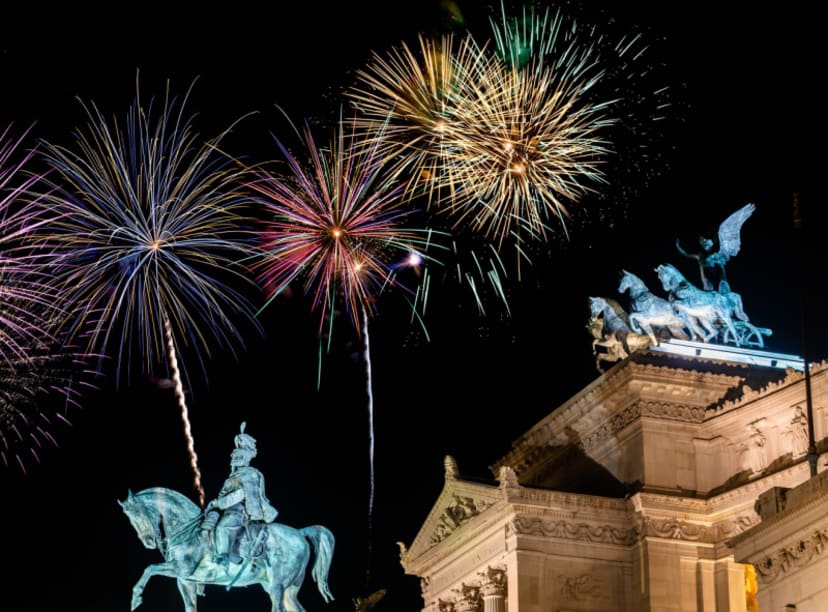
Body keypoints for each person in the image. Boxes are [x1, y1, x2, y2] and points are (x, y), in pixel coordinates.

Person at [202, 422, 278, 567]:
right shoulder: (234, 475)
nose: (233, 457)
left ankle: (224, 557)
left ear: (244, 458)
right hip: (226, 510)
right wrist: (215, 504)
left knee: (223, 527)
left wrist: (219, 503)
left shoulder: (249, 474)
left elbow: (241, 495)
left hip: (240, 511)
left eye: (237, 456)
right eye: (234, 455)